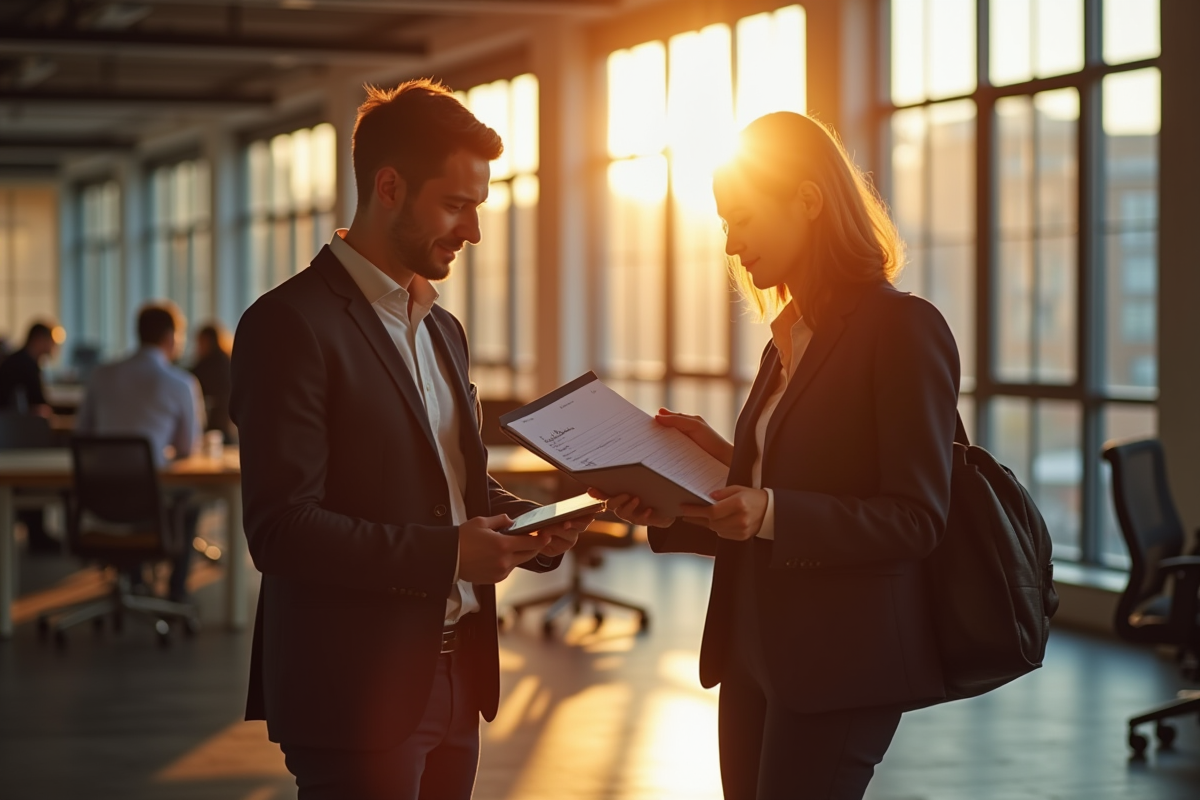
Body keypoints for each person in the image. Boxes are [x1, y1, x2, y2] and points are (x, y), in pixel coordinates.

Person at [230, 79, 589, 800]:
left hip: (458, 676)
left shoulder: (441, 328)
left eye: (477, 206)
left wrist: (531, 522)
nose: (473, 231)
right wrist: (451, 554)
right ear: (389, 187)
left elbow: (447, 486)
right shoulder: (289, 325)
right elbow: (282, 530)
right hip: (356, 688)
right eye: (455, 205)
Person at [599, 112, 960, 800]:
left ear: (808, 200)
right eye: (723, 225)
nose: (732, 244)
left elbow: (915, 519)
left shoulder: (903, 329)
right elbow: (790, 485)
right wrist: (685, 493)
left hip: (839, 658)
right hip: (753, 644)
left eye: (743, 219)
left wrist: (767, 508)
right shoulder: (788, 340)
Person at [77, 303, 205, 602]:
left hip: (98, 503)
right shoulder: (181, 383)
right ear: (170, 337)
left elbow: (82, 434)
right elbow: (188, 448)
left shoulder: (100, 375)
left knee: (136, 502)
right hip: (152, 504)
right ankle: (177, 590)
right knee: (191, 502)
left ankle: (133, 581)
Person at [0, 321, 62, 553]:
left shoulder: (15, 361)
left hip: (11, 434)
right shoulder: (26, 365)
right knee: (41, 468)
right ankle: (37, 535)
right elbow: (39, 404)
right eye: (52, 343)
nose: (54, 349)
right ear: (40, 339)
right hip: (17, 436)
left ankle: (36, 533)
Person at [0, 321, 58, 417]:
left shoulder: (18, 360)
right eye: (50, 341)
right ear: (39, 339)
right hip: (16, 422)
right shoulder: (25, 366)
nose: (53, 345)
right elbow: (36, 403)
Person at [190, 323, 233, 442]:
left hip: (210, 425)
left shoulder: (206, 366)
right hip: (227, 422)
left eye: (200, 342)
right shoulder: (228, 362)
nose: (198, 347)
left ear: (208, 341)